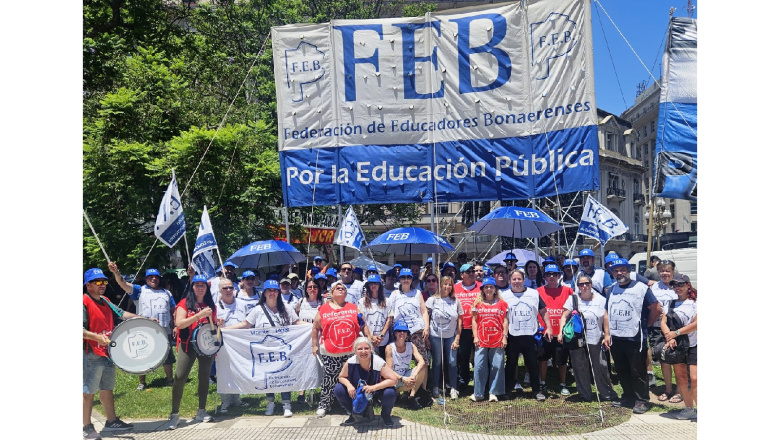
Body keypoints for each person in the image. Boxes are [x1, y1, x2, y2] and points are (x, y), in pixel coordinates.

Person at [225, 280, 303, 417]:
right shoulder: (258, 310)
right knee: (268, 377)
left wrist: (313, 326)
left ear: (278, 292)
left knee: (284, 376)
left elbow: (296, 322)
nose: (272, 293)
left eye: (274, 290)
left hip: (283, 350)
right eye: (269, 290)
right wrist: (225, 330)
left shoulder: (287, 308)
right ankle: (270, 403)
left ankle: (286, 404)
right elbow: (245, 324)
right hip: (265, 352)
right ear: (264, 293)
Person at [83, 268, 138, 440]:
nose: (102, 285)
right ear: (88, 285)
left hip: (106, 352)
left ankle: (111, 421)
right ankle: (86, 427)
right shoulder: (83, 302)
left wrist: (142, 318)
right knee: (88, 391)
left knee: (107, 388)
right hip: (90, 353)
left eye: (104, 281)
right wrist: (97, 337)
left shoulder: (105, 300)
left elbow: (121, 313)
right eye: (97, 282)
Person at [605, 258, 661, 415]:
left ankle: (642, 400)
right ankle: (628, 396)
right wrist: (607, 333)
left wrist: (646, 325)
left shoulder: (641, 288)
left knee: (638, 370)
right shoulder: (612, 289)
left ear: (628, 270)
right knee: (622, 369)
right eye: (616, 270)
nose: (619, 273)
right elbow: (607, 311)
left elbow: (656, 308)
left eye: (622, 269)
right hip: (617, 337)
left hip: (635, 337)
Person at [107, 263, 176, 390]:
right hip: (145, 327)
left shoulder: (166, 293)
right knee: (143, 353)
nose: (153, 279)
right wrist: (116, 273)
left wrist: (175, 323)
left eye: (156, 277)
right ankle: (142, 382)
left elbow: (173, 309)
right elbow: (123, 284)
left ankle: (170, 379)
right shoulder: (140, 290)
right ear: (146, 278)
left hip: (164, 328)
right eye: (150, 277)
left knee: (167, 355)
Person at [557, 275, 619, 402]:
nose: (584, 286)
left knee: (600, 366)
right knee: (579, 366)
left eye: (586, 284)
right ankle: (585, 394)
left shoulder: (601, 300)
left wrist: (606, 335)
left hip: (595, 338)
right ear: (578, 286)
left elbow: (606, 319)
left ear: (591, 284)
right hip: (577, 338)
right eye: (581, 284)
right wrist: (560, 332)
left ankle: (606, 392)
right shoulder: (572, 299)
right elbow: (564, 316)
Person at [168, 274, 218, 430]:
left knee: (204, 377)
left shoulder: (210, 304)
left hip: (205, 345)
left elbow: (212, 326)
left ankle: (201, 411)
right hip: (188, 344)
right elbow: (180, 323)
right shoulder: (185, 303)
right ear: (192, 287)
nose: (200, 288)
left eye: (203, 285)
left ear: (207, 287)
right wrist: (198, 315)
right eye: (197, 285)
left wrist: (217, 323)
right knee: (180, 377)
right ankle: (174, 414)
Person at [311, 281, 362, 417]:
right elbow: (316, 328)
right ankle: (324, 404)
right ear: (331, 293)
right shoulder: (323, 309)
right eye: (338, 288)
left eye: (343, 288)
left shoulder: (353, 307)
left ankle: (348, 405)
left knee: (349, 379)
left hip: (350, 351)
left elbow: (362, 325)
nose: (341, 290)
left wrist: (370, 338)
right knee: (329, 379)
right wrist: (314, 345)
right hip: (330, 352)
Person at [501, 269, 552, 401]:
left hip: (530, 334)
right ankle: (508, 389)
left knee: (532, 364)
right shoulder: (504, 295)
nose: (516, 282)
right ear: (510, 281)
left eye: (519, 279)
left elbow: (543, 311)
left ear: (524, 280)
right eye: (514, 279)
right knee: (511, 364)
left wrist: (549, 327)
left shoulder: (534, 294)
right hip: (513, 335)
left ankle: (537, 390)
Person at [334, 337, 398, 427]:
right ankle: (353, 414)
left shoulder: (378, 362)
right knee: (338, 389)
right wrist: (349, 385)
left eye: (366, 348)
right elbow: (341, 377)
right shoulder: (350, 362)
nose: (363, 352)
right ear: (355, 350)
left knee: (390, 393)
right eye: (360, 349)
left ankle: (386, 415)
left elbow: (394, 380)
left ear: (371, 349)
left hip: (375, 390)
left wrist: (373, 387)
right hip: (358, 391)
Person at [660, 274, 698, 420]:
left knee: (695, 379)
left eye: (680, 285)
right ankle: (689, 409)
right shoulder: (669, 303)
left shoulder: (696, 302)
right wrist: (669, 336)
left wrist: (676, 333)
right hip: (677, 345)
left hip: (694, 344)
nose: (677, 288)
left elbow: (697, 324)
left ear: (688, 285)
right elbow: (663, 321)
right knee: (681, 378)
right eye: (674, 285)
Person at [535, 264, 573, 395]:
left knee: (562, 359)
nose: (551, 277)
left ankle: (563, 383)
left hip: (561, 332)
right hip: (544, 332)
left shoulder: (568, 290)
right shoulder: (538, 291)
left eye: (554, 274)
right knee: (543, 359)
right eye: (548, 274)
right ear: (544, 276)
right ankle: (543, 383)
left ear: (559, 276)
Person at [470, 277, 508, 402]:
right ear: (483, 289)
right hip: (481, 339)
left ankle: (494, 392)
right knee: (479, 365)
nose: (489, 289)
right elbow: (474, 321)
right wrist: (475, 336)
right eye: (486, 287)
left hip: (497, 339)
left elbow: (505, 321)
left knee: (497, 365)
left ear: (495, 289)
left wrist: (505, 336)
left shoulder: (502, 304)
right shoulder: (478, 304)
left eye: (491, 287)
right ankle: (478, 393)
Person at [214, 278, 249, 413]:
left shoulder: (242, 304)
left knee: (237, 371)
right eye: (225, 288)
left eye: (230, 288)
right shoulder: (216, 307)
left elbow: (247, 322)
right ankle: (225, 401)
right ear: (220, 291)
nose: (228, 290)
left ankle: (236, 398)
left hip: (239, 344)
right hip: (223, 345)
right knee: (223, 372)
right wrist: (218, 325)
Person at [425, 275, 463, 400]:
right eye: (445, 284)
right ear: (440, 285)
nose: (447, 286)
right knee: (437, 362)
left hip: (450, 336)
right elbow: (426, 317)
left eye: (450, 284)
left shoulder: (455, 301)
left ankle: (453, 387)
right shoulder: (432, 300)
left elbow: (460, 320)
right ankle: (435, 386)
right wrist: (426, 337)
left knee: (452, 362)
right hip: (435, 336)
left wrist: (457, 338)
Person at [649, 260, 680, 402]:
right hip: (657, 328)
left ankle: (679, 391)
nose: (664, 273)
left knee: (679, 360)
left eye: (667, 270)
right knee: (664, 359)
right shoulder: (654, 287)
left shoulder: (679, 285)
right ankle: (668, 389)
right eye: (661, 270)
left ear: (673, 272)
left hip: (676, 328)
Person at [388, 268, 430, 370]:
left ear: (412, 279)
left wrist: (427, 327)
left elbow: (424, 311)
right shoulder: (394, 294)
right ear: (399, 279)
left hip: (417, 330)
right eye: (403, 277)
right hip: (400, 331)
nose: (406, 279)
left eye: (408, 277)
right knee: (399, 359)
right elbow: (390, 313)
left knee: (422, 359)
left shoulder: (418, 293)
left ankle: (423, 386)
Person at [385, 321, 428, 409]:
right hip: (394, 378)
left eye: (404, 331)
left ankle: (411, 397)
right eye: (399, 331)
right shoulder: (389, 348)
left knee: (422, 368)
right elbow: (389, 371)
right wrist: (402, 379)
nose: (402, 333)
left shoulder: (411, 345)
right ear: (395, 333)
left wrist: (414, 376)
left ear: (407, 334)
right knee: (394, 387)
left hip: (405, 375)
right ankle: (397, 393)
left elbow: (421, 361)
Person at [295, 278, 325, 403]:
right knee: (304, 365)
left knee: (322, 365)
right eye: (310, 287)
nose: (312, 289)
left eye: (315, 287)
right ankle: (301, 393)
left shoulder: (323, 302)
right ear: (306, 289)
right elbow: (295, 319)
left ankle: (324, 391)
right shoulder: (300, 302)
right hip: (304, 340)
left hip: (320, 338)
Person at [453, 263, 481, 394]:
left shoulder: (481, 287)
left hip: (479, 328)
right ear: (461, 275)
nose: (471, 273)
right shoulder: (455, 288)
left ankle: (480, 381)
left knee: (479, 356)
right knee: (463, 356)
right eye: (468, 271)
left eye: (473, 271)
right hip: (462, 328)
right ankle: (464, 381)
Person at [359, 274, 392, 357]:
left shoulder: (387, 301)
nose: (373, 286)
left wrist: (381, 336)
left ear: (380, 285)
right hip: (367, 340)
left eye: (376, 283)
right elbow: (362, 321)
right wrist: (370, 337)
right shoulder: (361, 302)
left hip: (383, 340)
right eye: (371, 284)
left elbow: (389, 320)